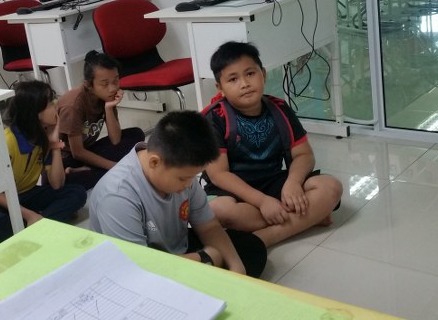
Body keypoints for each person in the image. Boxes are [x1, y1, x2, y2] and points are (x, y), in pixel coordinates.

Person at [89, 110, 267, 278]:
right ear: (154, 162)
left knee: (251, 248)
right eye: (183, 178)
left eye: (192, 177)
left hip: (175, 249)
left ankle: (213, 278)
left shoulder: (179, 169)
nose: (189, 185)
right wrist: (205, 258)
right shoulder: (117, 195)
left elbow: (209, 226)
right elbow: (139, 267)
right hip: (137, 267)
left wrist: (237, 269)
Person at [200, 41, 343, 248]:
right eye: (233, 79)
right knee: (219, 210)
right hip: (232, 190)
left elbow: (304, 155)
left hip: (274, 181)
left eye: (250, 73)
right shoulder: (214, 118)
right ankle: (307, 218)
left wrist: (293, 183)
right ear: (220, 88)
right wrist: (263, 202)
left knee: (331, 187)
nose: (244, 84)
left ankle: (263, 238)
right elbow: (218, 174)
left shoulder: (280, 109)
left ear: (264, 74)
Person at [0, 80, 87, 244]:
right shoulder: (8, 141)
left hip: (27, 193)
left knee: (77, 193)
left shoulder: (43, 137)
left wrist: (55, 143)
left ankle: (34, 225)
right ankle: (42, 220)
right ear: (34, 112)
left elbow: (57, 184)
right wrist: (29, 214)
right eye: (50, 103)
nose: (55, 106)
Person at [55, 50, 145, 189]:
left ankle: (88, 170)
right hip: (65, 159)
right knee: (71, 187)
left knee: (136, 134)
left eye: (116, 80)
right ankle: (79, 173)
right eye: (104, 84)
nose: (113, 88)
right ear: (88, 85)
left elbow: (115, 140)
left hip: (87, 150)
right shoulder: (73, 106)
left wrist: (109, 108)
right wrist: (114, 166)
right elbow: (77, 152)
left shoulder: (105, 97)